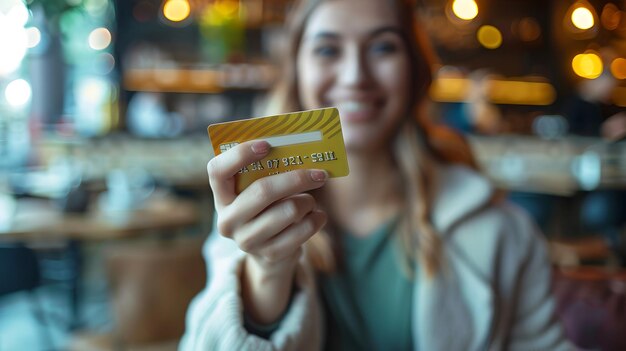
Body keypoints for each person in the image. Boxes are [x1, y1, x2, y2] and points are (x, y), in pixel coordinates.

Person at [181, 0, 571, 350]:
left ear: (417, 73)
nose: (355, 76)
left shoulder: (503, 232)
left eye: (383, 47)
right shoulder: (257, 213)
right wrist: (266, 271)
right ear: (296, 72)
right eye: (328, 49)